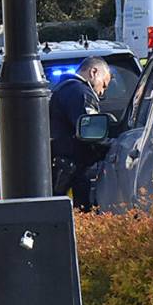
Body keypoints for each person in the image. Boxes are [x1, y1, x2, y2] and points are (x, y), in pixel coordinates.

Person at [49, 56, 113, 210]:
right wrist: (111, 145)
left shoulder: (64, 88)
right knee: (81, 214)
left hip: (61, 168)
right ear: (93, 72)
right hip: (72, 170)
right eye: (103, 85)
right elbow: (90, 131)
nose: (101, 92)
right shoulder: (80, 92)